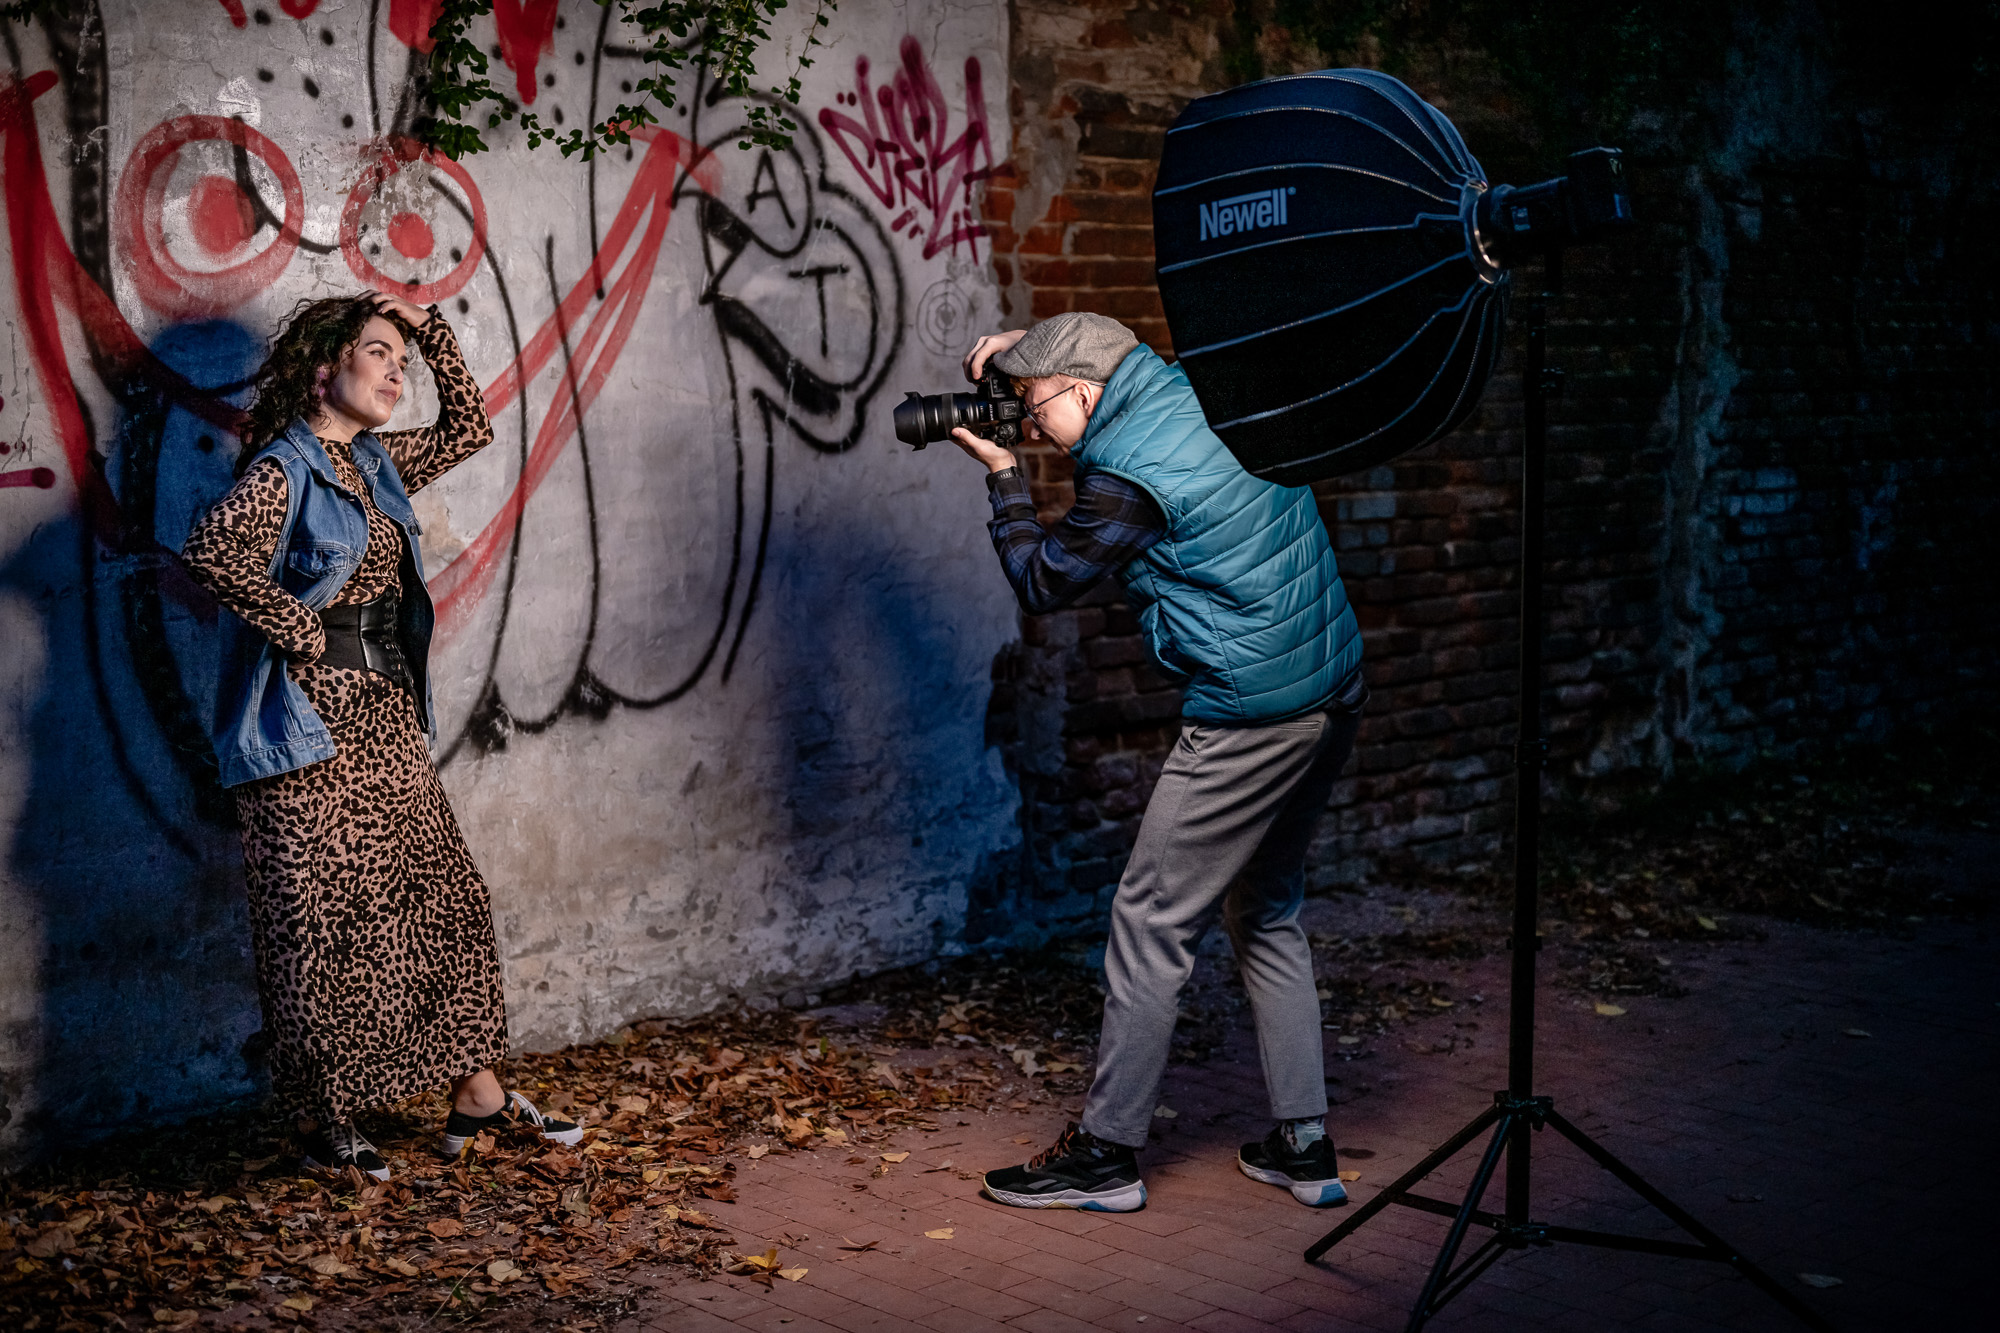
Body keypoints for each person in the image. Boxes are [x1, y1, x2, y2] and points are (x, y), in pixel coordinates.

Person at [958, 313, 1366, 1213]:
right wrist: (1024, 354)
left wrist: (1002, 477)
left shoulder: (1129, 477)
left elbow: (1042, 580)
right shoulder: (1204, 386)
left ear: (1085, 390)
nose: (1031, 424)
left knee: (1150, 919)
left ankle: (1106, 1156)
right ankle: (1304, 1145)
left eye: (1034, 405)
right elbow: (1087, 358)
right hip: (1329, 683)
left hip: (1255, 710)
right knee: (1266, 907)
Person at [179, 291, 580, 1181]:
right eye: (378, 353)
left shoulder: (372, 462)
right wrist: (299, 626)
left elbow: (469, 426)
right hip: (306, 729)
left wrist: (427, 330)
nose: (397, 371)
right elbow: (211, 549)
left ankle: (476, 1092)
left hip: (385, 717)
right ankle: (323, 1119)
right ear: (325, 368)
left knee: (444, 899)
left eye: (401, 360)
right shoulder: (287, 469)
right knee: (319, 927)